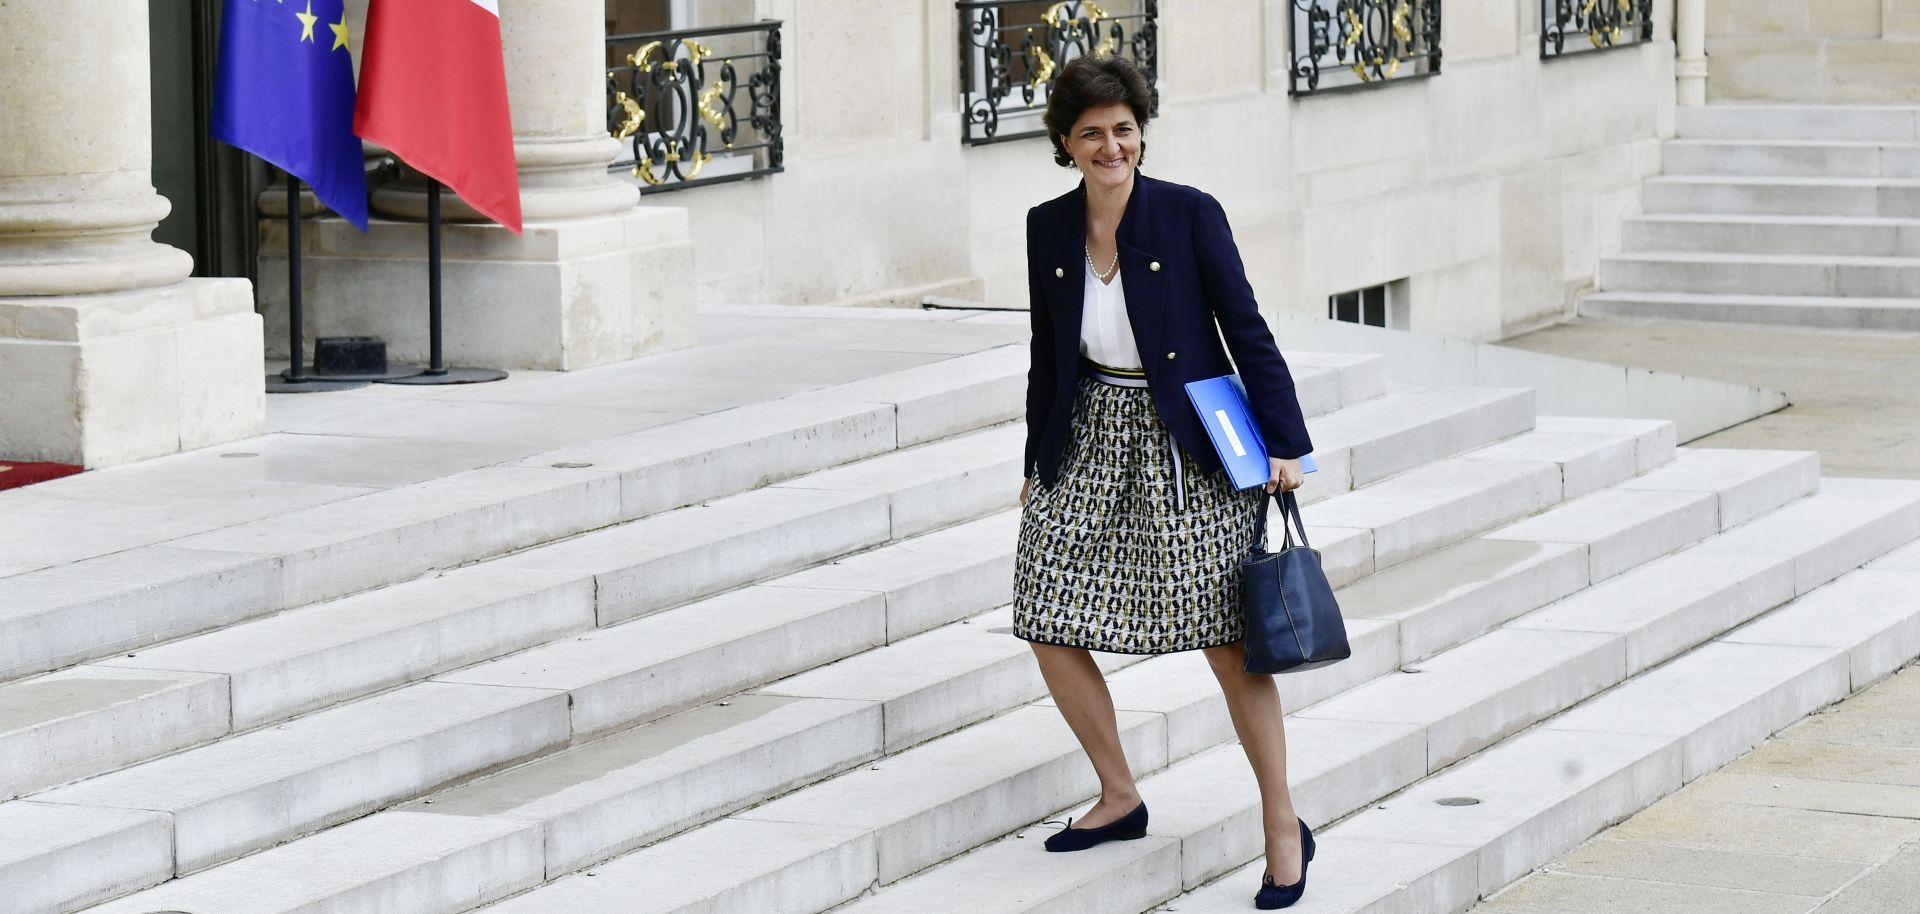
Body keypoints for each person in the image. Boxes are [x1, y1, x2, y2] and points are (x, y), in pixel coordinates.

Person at [1012, 54, 1317, 910]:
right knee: (1043, 606)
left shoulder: (1187, 215)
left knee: (1227, 637)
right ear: (1064, 145)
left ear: (1140, 130)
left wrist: (1285, 445)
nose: (1112, 146)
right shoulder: (1047, 227)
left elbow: (1246, 330)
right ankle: (1119, 794)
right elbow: (1048, 355)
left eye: (1123, 129)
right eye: (1091, 134)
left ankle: (1282, 823)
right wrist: (1038, 463)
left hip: (1189, 438)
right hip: (1091, 433)